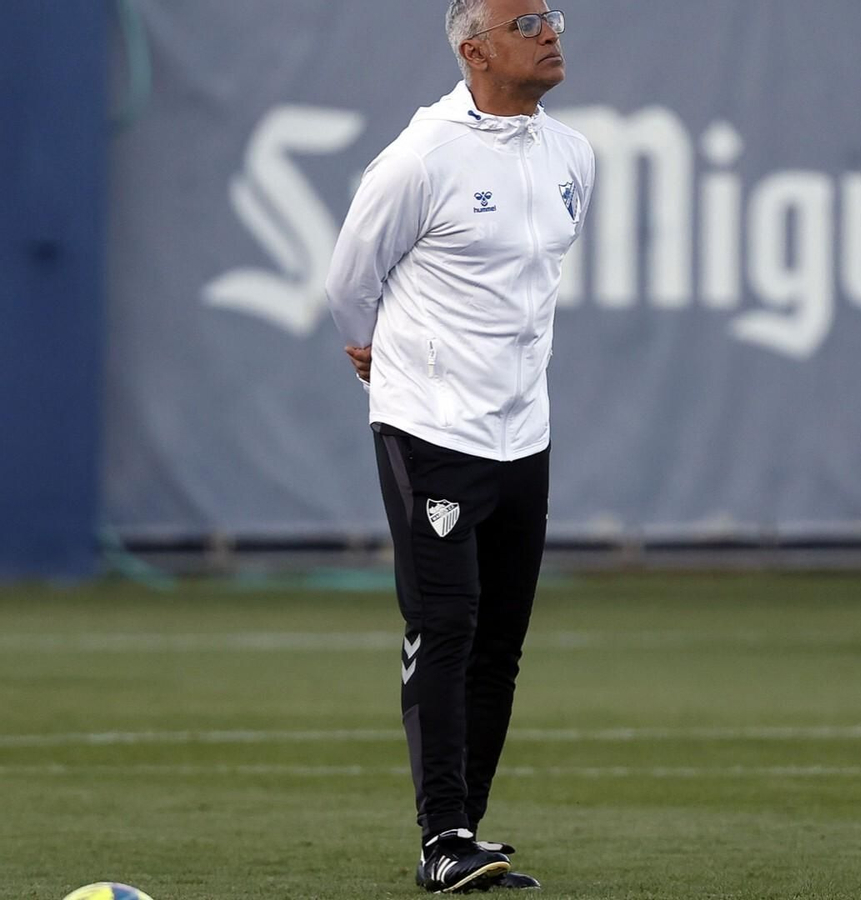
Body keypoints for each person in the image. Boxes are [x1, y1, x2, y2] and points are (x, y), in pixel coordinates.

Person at [326, 0, 593, 892]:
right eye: (528, 23)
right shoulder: (422, 157)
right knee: (445, 623)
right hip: (431, 428)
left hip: (526, 433)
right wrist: (384, 362)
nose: (552, 31)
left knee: (501, 640)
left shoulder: (572, 155)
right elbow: (349, 280)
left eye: (555, 16)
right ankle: (442, 837)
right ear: (475, 50)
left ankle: (466, 833)